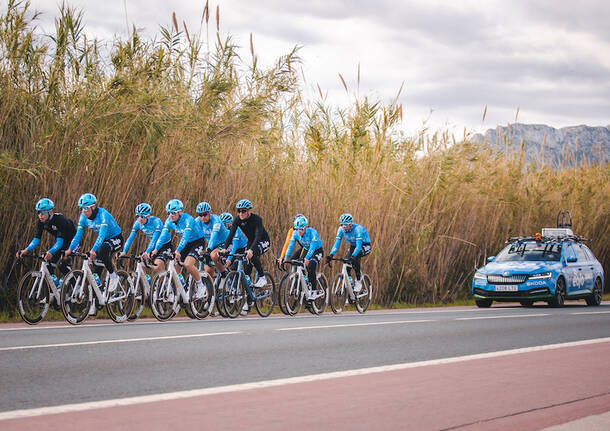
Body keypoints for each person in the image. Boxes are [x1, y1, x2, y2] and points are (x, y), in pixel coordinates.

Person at [64, 193, 123, 295]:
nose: (84, 211)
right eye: (81, 208)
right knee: (96, 273)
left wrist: (94, 249)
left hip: (116, 238)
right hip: (104, 241)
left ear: (93, 207)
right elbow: (78, 236)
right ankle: (97, 301)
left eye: (86, 208)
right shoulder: (83, 217)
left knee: (103, 250)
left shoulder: (103, 214)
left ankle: (114, 276)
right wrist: (69, 249)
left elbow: (102, 234)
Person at [152, 199, 207, 300]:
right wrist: (155, 250)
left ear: (180, 211)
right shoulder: (169, 221)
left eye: (173, 213)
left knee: (187, 264)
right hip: (186, 244)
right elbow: (162, 237)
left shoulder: (188, 219)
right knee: (175, 265)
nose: (171, 215)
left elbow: (185, 237)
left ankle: (201, 286)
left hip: (197, 241)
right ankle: (178, 290)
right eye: (168, 213)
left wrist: (177, 250)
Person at [17, 198, 76, 276]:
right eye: (38, 212)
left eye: (43, 212)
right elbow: (36, 239)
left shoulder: (60, 220)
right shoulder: (40, 222)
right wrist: (26, 250)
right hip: (62, 243)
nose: (40, 215)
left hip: (73, 242)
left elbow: (59, 242)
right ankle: (56, 287)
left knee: (62, 265)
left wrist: (50, 252)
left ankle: (77, 287)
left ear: (50, 212)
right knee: (49, 266)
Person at [221, 199, 270, 288]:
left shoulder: (257, 219)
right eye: (239, 211)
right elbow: (230, 235)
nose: (241, 213)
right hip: (251, 241)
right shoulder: (237, 220)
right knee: (247, 262)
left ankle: (262, 277)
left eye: (243, 211)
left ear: (249, 211)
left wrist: (251, 250)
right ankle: (249, 293)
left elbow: (258, 236)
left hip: (262, 240)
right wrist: (225, 248)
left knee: (253, 254)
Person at [325, 213, 371, 292]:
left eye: (345, 224)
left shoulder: (358, 229)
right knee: (346, 263)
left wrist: (353, 256)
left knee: (356, 257)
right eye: (341, 224)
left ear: (351, 224)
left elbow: (359, 246)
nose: (343, 226)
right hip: (354, 246)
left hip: (364, 245)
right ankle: (350, 284)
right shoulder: (341, 230)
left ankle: (359, 281)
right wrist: (331, 254)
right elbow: (337, 243)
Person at [119, 203, 170, 272]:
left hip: (165, 245)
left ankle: (166, 282)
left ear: (148, 216)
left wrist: (147, 252)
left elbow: (155, 239)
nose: (140, 219)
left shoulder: (156, 222)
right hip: (153, 246)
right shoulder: (137, 223)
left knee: (157, 267)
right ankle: (147, 281)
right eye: (138, 216)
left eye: (142, 216)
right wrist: (124, 251)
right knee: (141, 263)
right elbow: (130, 238)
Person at [281, 215, 323, 297]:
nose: (299, 232)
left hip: (316, 250)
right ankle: (306, 281)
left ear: (306, 227)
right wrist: (286, 257)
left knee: (311, 265)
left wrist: (307, 258)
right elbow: (290, 246)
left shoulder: (312, 232)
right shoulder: (295, 233)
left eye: (301, 229)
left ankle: (314, 291)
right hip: (307, 249)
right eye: (297, 229)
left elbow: (313, 246)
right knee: (299, 263)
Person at [195, 202, 228, 278]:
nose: (203, 217)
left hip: (224, 243)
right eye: (200, 215)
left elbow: (214, 235)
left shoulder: (216, 220)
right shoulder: (197, 221)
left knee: (213, 255)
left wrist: (209, 249)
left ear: (210, 212)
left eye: (205, 214)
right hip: (212, 245)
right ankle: (209, 289)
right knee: (208, 272)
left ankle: (223, 273)